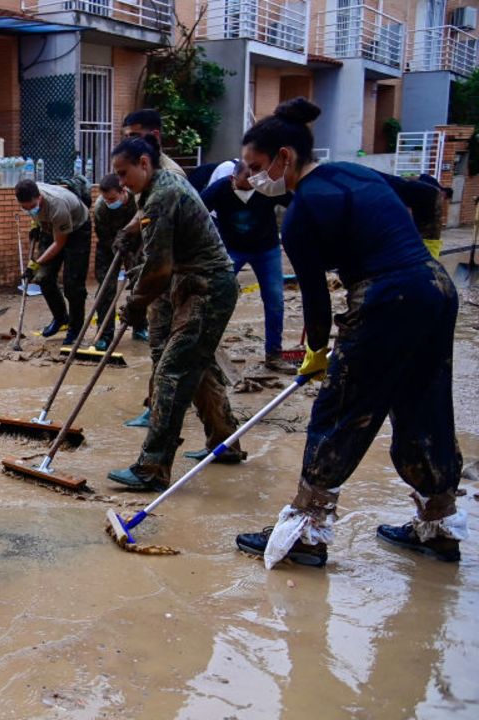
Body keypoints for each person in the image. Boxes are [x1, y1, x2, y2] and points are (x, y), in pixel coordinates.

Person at [233, 99, 466, 568]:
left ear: (285, 156)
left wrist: (316, 353)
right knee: (424, 406)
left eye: (257, 167)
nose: (254, 179)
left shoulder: (300, 215)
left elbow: (317, 304)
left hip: (388, 297)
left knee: (340, 412)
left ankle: (305, 535)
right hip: (434, 286)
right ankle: (438, 528)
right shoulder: (356, 173)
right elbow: (425, 197)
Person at [106, 135, 245, 491]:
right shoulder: (154, 190)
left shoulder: (164, 193)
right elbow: (150, 232)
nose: (121, 182)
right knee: (196, 369)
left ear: (144, 163)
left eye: (124, 173)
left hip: (206, 288)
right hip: (194, 284)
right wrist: (129, 231)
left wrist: (135, 304)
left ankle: (152, 468)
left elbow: (157, 269)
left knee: (172, 372)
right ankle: (224, 442)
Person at [201, 160, 295, 373]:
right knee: (217, 298)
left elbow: (296, 202)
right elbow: (195, 212)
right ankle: (206, 353)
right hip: (231, 250)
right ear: (233, 178)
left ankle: (274, 355)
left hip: (267, 250)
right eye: (246, 178)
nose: (252, 183)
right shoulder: (220, 189)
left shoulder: (266, 188)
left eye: (255, 178)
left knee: (275, 301)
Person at [13, 178, 91, 344]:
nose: (29, 210)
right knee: (44, 278)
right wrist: (36, 224)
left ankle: (75, 330)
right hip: (51, 228)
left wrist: (34, 265)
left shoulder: (57, 206)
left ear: (39, 197)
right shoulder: (31, 193)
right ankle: (61, 318)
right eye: (25, 208)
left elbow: (59, 244)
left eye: (31, 207)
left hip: (77, 230)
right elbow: (36, 214)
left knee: (73, 285)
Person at [89, 173, 138, 350]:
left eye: (112, 198)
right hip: (109, 245)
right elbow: (103, 236)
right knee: (105, 288)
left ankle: (140, 326)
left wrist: (130, 244)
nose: (109, 202)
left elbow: (144, 224)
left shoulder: (137, 199)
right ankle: (104, 334)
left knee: (140, 283)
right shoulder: (101, 208)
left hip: (135, 242)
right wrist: (117, 245)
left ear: (123, 191)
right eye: (106, 199)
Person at [122, 109, 187, 177]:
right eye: (126, 137)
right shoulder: (127, 167)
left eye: (134, 136)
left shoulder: (172, 175)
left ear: (155, 135)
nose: (129, 142)